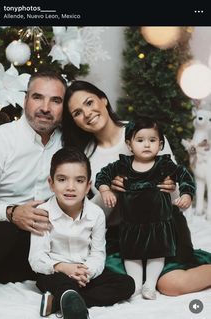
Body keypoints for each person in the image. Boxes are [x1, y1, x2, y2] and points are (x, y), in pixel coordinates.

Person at [61, 80, 211, 296]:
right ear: (75, 121)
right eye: (77, 112)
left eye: (89, 102)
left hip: (165, 225)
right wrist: (109, 193)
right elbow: (90, 215)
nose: (87, 113)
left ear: (103, 99)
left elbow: (178, 199)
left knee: (170, 284)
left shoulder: (145, 132)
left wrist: (172, 188)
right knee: (115, 282)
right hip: (124, 233)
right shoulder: (85, 157)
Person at [0, 71, 66, 286]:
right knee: (4, 229)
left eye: (55, 100)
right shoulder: (1, 138)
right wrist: (12, 212)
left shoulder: (69, 143)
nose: (45, 107)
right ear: (25, 100)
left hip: (36, 240)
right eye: (38, 97)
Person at [95, 117, 196, 299]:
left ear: (161, 144)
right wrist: (105, 190)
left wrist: (187, 194)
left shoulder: (164, 165)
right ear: (129, 144)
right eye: (140, 140)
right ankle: (134, 285)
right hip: (131, 224)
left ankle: (150, 283)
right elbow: (103, 174)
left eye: (152, 140)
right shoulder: (123, 165)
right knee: (131, 254)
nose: (147, 145)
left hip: (159, 223)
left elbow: (184, 176)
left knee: (156, 253)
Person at [28, 147, 135, 318]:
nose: (70, 187)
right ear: (51, 183)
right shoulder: (43, 212)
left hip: (84, 273)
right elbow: (36, 258)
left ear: (88, 186)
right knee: (58, 281)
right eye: (62, 179)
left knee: (127, 284)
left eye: (79, 181)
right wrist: (63, 267)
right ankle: (69, 299)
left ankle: (60, 302)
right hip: (56, 273)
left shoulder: (96, 214)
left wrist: (86, 272)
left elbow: (98, 254)